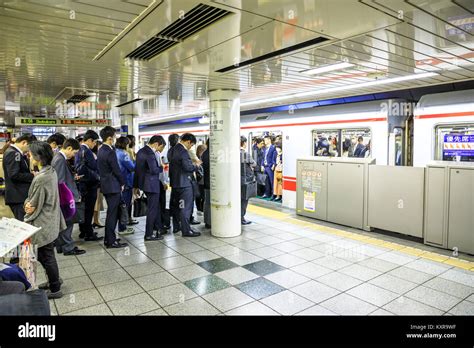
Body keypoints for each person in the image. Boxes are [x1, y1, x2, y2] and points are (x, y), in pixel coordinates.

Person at [24, 141, 66, 299]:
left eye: (31, 154)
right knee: (47, 254)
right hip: (51, 219)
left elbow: (32, 205)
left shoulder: (41, 178)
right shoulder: (51, 171)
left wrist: (27, 206)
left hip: (43, 222)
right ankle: (53, 281)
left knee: (45, 256)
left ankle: (55, 288)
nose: (29, 156)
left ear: (38, 157)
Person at [51, 138, 86, 256]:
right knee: (68, 222)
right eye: (74, 152)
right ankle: (68, 247)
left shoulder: (58, 157)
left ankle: (62, 246)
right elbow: (60, 181)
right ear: (69, 148)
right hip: (65, 196)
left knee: (64, 222)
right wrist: (68, 198)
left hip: (63, 195)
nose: (73, 155)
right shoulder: (60, 159)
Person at [97, 126, 128, 249]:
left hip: (106, 185)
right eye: (114, 137)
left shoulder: (101, 150)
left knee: (112, 212)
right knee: (112, 214)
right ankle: (111, 241)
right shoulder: (109, 152)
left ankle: (109, 239)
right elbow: (116, 170)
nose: (115, 139)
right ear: (110, 138)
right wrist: (122, 182)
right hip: (113, 186)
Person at [167, 133, 201, 237]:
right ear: (188, 142)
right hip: (185, 184)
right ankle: (186, 230)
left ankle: (176, 227)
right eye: (191, 145)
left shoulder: (172, 150)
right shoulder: (183, 151)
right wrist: (196, 165)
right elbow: (188, 167)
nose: (190, 147)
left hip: (175, 184)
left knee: (178, 207)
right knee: (185, 208)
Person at [134, 135, 167, 241]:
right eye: (160, 147)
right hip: (152, 185)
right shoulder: (150, 153)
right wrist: (163, 167)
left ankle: (158, 229)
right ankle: (148, 234)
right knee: (152, 209)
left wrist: (136, 186)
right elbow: (154, 170)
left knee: (154, 208)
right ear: (156, 144)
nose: (160, 150)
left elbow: (137, 170)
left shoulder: (140, 151)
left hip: (144, 184)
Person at [75, 130, 103, 241]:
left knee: (84, 208)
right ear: (90, 140)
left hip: (82, 184)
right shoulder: (87, 151)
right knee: (89, 209)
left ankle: (83, 231)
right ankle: (89, 233)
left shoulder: (78, 150)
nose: (95, 144)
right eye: (94, 142)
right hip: (89, 184)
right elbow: (93, 166)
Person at [2, 134, 36, 220]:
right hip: (18, 196)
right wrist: (32, 175)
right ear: (24, 142)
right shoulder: (14, 153)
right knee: (24, 225)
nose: (30, 149)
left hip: (19, 195)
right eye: (30, 146)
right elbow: (14, 174)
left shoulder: (15, 152)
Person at [115, 136, 135, 236]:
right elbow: (131, 167)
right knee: (124, 206)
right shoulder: (124, 154)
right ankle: (122, 228)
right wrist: (136, 162)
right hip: (126, 182)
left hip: (118, 182)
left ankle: (120, 226)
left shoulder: (114, 152)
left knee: (120, 206)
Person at [240, 136, 257, 225]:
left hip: (236, 180)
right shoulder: (244, 154)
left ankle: (237, 216)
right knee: (244, 200)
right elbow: (254, 163)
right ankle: (241, 218)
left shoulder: (233, 153)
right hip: (244, 180)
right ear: (244, 143)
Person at [167, 133, 180, 233]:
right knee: (180, 201)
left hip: (173, 178)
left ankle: (175, 221)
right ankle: (178, 223)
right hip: (179, 179)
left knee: (174, 199)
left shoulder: (169, 151)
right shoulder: (178, 150)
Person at [126, 134, 139, 225]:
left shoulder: (122, 151)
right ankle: (128, 218)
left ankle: (127, 218)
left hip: (127, 178)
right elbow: (132, 166)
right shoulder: (130, 151)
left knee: (128, 200)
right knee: (129, 200)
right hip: (130, 178)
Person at [92, 140, 105, 229]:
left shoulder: (96, 155)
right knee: (97, 202)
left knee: (98, 202)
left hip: (98, 182)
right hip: (97, 182)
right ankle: (96, 221)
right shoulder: (94, 155)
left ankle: (96, 220)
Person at [261, 135, 277, 200]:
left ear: (269, 140)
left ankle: (273, 194)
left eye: (265, 140)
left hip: (270, 167)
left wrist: (273, 164)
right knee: (266, 181)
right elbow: (263, 157)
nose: (264, 141)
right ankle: (267, 193)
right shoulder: (265, 148)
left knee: (272, 181)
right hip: (265, 167)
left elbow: (275, 157)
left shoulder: (273, 148)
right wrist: (262, 165)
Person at [201, 139, 211, 229]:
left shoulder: (204, 153)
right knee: (209, 202)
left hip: (206, 181)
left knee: (207, 202)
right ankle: (209, 222)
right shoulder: (210, 154)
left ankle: (207, 221)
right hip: (210, 182)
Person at [195, 144, 207, 213]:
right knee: (200, 195)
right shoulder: (198, 160)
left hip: (201, 180)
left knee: (201, 195)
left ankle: (200, 208)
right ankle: (200, 208)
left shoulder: (199, 158)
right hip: (200, 180)